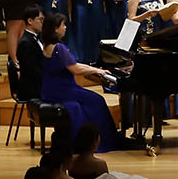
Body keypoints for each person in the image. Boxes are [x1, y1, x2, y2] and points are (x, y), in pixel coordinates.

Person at [35, 10, 122, 152]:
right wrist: (97, 71)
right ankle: (104, 140)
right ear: (56, 29)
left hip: (50, 89)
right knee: (97, 100)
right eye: (63, 25)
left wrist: (94, 68)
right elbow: (76, 69)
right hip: (64, 90)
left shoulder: (47, 45)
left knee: (89, 101)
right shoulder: (59, 47)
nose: (65, 28)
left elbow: (75, 64)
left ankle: (93, 139)